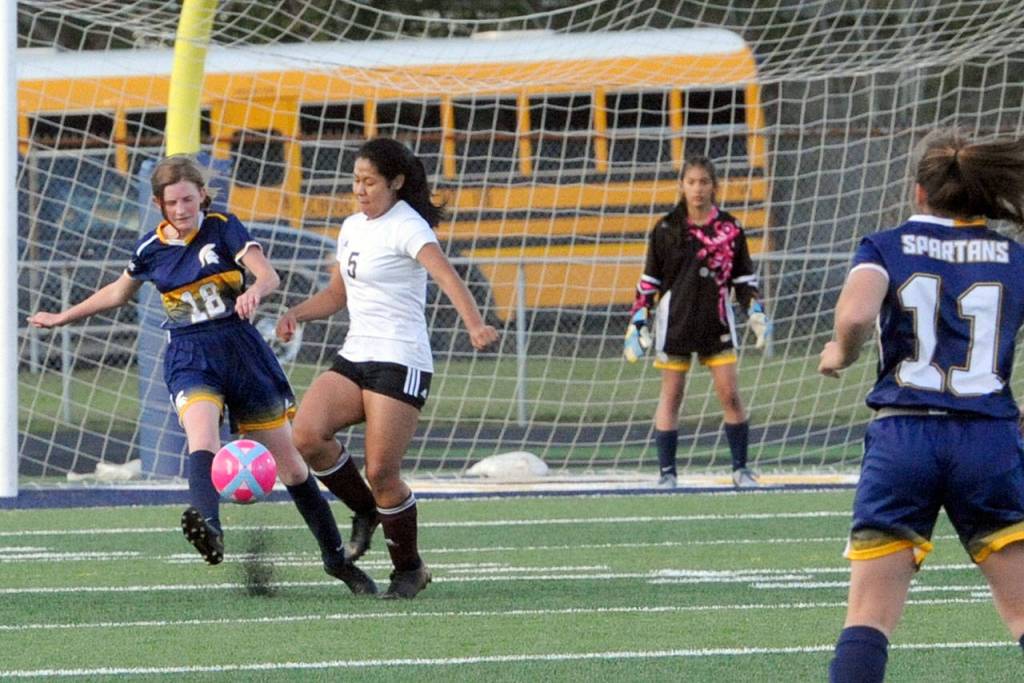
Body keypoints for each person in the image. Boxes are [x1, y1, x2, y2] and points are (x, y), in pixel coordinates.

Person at [27, 155, 377, 595]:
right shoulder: (149, 250)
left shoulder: (223, 226)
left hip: (242, 352)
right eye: (172, 202)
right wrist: (62, 317)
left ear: (201, 196)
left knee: (291, 466)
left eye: (188, 199)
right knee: (202, 436)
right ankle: (209, 528)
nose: (181, 209)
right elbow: (118, 292)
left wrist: (254, 290)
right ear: (159, 203)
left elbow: (268, 276)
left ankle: (336, 561)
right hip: (191, 355)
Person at [819, 129, 1024, 682]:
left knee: (869, 617)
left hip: (903, 437)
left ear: (918, 193)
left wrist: (840, 349)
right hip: (987, 438)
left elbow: (858, 315)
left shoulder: (886, 245)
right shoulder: (1013, 256)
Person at [276, 137, 499, 599]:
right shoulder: (352, 226)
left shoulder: (407, 225)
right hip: (357, 354)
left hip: (401, 359)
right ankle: (365, 511)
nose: (360, 189)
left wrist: (475, 324)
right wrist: (296, 312)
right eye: (356, 180)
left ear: (395, 182)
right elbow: (337, 295)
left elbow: (446, 275)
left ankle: (409, 569)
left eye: (369, 181)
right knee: (306, 435)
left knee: (382, 472)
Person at [626, 155, 770, 489]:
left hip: (716, 323)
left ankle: (740, 469)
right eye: (691, 182)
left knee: (730, 394)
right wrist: (638, 321)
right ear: (682, 186)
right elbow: (649, 281)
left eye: (704, 182)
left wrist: (756, 313)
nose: (697, 189)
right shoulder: (666, 229)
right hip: (675, 324)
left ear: (714, 186)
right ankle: (667, 474)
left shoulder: (731, 229)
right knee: (672, 396)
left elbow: (744, 281)